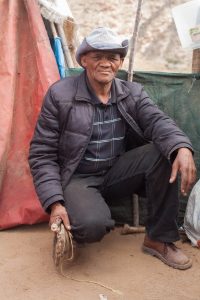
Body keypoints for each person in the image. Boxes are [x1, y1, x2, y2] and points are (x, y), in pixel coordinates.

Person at [29, 27, 196, 270]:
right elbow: (41, 153)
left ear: (120, 63)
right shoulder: (60, 95)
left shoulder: (132, 93)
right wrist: (55, 202)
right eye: (98, 57)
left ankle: (158, 239)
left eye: (113, 58)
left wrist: (181, 146)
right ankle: (75, 220)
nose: (106, 64)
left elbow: (157, 121)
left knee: (164, 151)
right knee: (91, 227)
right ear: (84, 60)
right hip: (78, 178)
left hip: (117, 171)